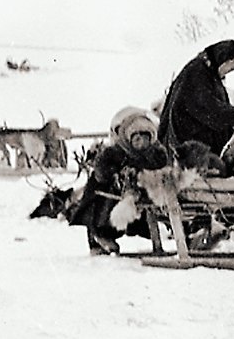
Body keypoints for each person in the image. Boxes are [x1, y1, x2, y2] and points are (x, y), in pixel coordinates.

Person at [72, 105, 175, 256]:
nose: (141, 143)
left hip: (145, 189)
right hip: (115, 193)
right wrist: (114, 174)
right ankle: (101, 235)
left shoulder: (157, 153)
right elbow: (101, 173)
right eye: (137, 138)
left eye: (145, 138)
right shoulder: (114, 152)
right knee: (103, 197)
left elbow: (162, 166)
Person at [159, 39, 234, 168]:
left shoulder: (206, 71)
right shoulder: (197, 73)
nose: (230, 72)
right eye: (232, 67)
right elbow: (208, 107)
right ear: (225, 60)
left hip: (193, 144)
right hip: (188, 148)